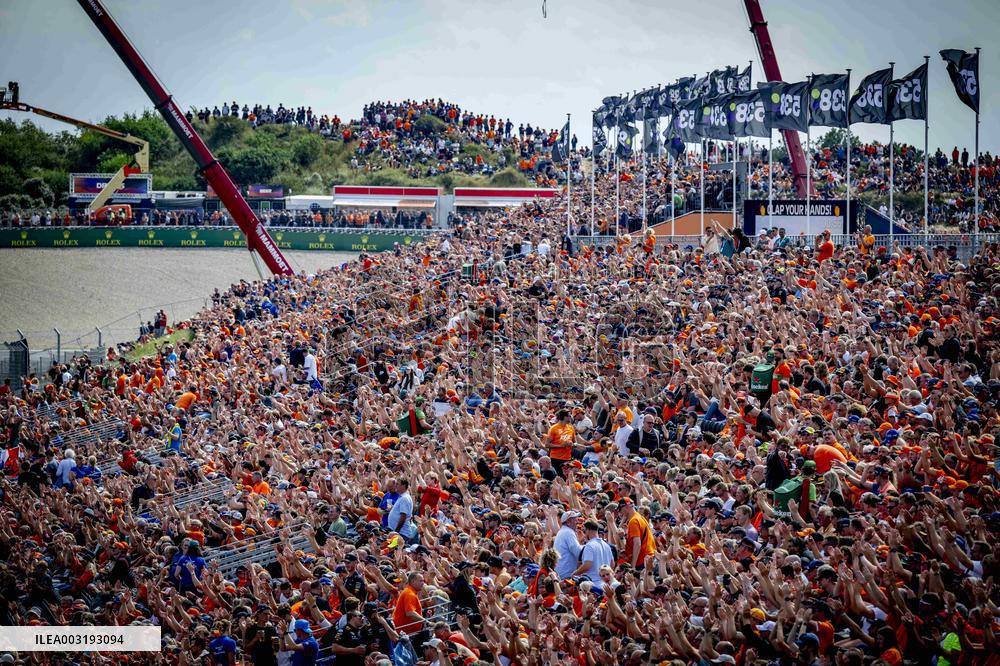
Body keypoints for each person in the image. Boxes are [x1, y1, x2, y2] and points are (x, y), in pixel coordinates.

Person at [553, 510, 582, 580]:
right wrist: (589, 547)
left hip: (561, 574)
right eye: (575, 520)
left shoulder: (563, 531)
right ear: (568, 522)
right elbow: (578, 552)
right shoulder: (568, 532)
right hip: (567, 576)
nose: (577, 522)